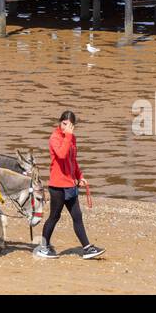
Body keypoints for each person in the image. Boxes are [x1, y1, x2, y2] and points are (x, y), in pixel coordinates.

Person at [35, 110, 104, 259]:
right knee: (54, 216)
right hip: (57, 185)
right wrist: (68, 136)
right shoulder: (55, 137)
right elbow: (61, 155)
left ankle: (87, 248)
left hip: (70, 185)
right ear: (60, 122)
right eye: (64, 124)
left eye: (70, 125)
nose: (66, 127)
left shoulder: (72, 138)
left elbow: (73, 160)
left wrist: (80, 176)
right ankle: (43, 247)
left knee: (77, 216)